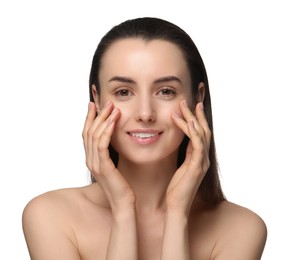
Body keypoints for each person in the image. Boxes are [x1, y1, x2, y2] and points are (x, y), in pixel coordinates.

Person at [22, 17, 267, 259]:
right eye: (124, 92)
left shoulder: (241, 229)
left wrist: (177, 214)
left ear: (197, 99)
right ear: (96, 99)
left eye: (166, 91)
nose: (145, 114)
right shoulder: (49, 216)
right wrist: (123, 210)